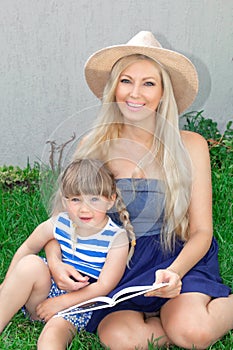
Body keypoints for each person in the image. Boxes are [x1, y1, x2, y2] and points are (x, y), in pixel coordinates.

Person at [45, 31, 233, 349]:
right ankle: (167, 324)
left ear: (163, 93)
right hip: (119, 271)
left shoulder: (191, 145)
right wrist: (55, 262)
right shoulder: (94, 147)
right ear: (113, 88)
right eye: (126, 81)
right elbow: (59, 222)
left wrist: (173, 273)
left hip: (178, 261)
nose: (136, 93)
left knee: (193, 334)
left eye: (149, 83)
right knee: (118, 337)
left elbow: (202, 231)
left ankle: (185, 318)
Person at [0, 158, 136, 350]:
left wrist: (60, 303)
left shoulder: (116, 238)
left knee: (50, 338)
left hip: (79, 303)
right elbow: (28, 247)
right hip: (45, 292)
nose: (84, 208)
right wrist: (7, 284)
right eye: (75, 199)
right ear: (65, 201)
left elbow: (104, 286)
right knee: (30, 263)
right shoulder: (59, 222)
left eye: (94, 199)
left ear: (110, 200)